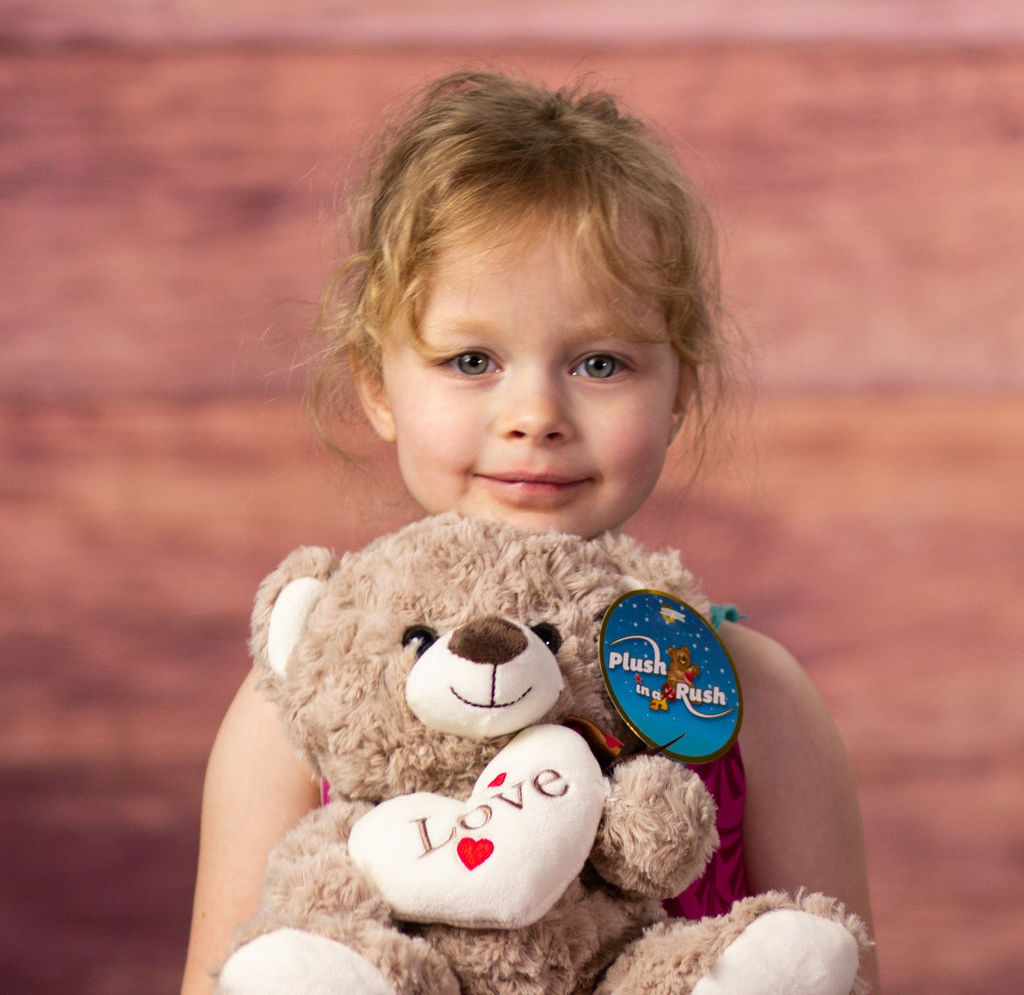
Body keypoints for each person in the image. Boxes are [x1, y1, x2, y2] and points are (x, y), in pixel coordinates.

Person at [180, 70, 880, 994]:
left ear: (680, 396)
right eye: (472, 360)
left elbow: (840, 973)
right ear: (378, 385)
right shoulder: (299, 703)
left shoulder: (751, 696)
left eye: (601, 362)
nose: (535, 414)